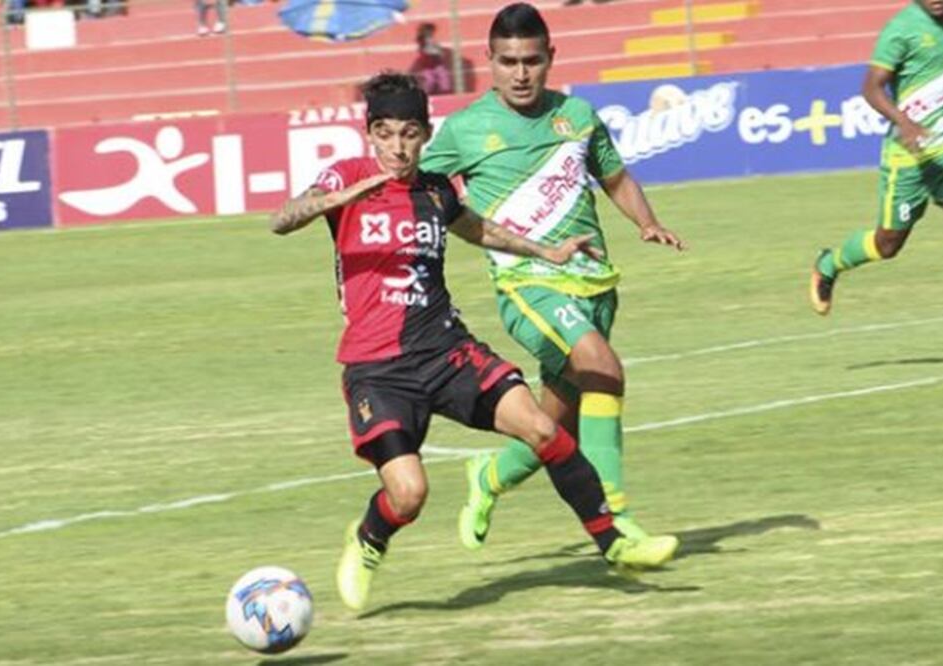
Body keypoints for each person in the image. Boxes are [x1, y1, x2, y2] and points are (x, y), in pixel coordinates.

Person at [270, 72, 678, 612]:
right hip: (378, 370)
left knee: (541, 427)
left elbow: (479, 229)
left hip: (447, 351)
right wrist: (343, 196)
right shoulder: (345, 176)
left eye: (410, 133)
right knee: (409, 494)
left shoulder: (436, 189)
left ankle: (616, 542)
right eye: (386, 133)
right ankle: (369, 540)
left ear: (424, 133)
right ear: (369, 133)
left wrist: (544, 253)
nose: (398, 146)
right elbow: (281, 220)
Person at [420, 3, 685, 551]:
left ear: (550, 59)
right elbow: (415, 187)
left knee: (553, 425)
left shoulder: (579, 116)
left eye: (532, 61)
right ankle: (615, 517)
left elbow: (614, 177)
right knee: (603, 368)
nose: (521, 73)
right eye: (508, 61)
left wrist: (647, 221)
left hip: (594, 281)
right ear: (489, 62)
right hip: (527, 285)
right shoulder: (466, 130)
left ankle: (488, 478)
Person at [808, 0, 943, 362]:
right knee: (888, 243)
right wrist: (905, 123)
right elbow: (872, 88)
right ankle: (829, 263)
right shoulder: (901, 28)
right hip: (909, 157)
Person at [408, 22, 454, 96]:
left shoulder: (432, 41)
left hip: (437, 64)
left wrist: (439, 52)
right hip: (427, 66)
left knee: (444, 78)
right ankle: (428, 94)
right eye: (429, 33)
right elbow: (427, 51)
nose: (431, 35)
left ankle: (445, 93)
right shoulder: (422, 41)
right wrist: (437, 51)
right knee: (430, 80)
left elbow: (438, 52)